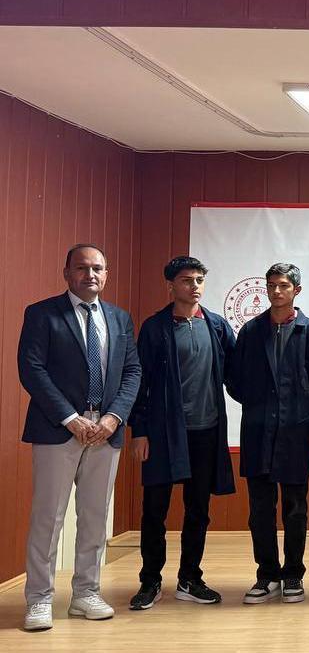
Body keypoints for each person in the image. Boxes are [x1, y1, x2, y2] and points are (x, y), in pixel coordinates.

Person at [19, 244, 141, 632]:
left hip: (105, 431)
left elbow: (133, 371)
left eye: (98, 268)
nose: (91, 275)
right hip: (58, 428)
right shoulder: (42, 314)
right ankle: (39, 598)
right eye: (82, 268)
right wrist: (70, 418)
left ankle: (86, 593)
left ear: (106, 274)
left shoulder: (119, 318)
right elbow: (32, 369)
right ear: (67, 273)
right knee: (48, 517)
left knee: (95, 516)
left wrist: (114, 417)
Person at [129, 256, 237, 611]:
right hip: (163, 433)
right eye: (187, 280)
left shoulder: (217, 326)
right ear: (171, 286)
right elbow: (140, 382)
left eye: (199, 279)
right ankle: (150, 581)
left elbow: (236, 375)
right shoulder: (154, 328)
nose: (194, 286)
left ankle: (190, 578)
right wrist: (140, 431)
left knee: (198, 510)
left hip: (206, 431)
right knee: (154, 510)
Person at [228, 262, 309, 605]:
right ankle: (267, 574)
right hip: (258, 431)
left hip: (297, 432)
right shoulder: (251, 331)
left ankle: (293, 573)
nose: (277, 291)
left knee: (295, 507)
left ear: (297, 290)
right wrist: (259, 403)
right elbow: (234, 379)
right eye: (271, 286)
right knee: (260, 509)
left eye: (283, 285)